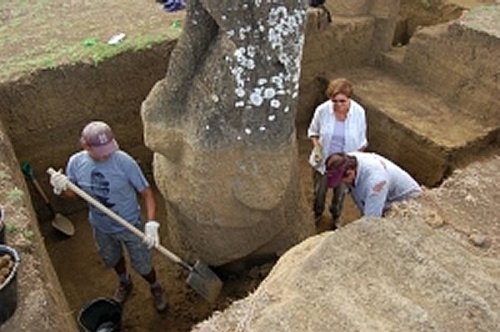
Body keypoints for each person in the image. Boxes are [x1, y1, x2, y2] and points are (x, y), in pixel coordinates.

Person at [49, 121, 168, 313]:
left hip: (130, 224)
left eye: (109, 148)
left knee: (143, 264)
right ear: (86, 146)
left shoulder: (124, 162)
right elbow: (73, 194)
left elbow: (146, 192)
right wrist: (60, 188)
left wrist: (152, 223)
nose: (106, 154)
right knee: (113, 258)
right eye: (101, 150)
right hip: (101, 226)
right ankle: (124, 282)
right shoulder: (76, 163)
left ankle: (155, 286)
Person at [307, 78, 367, 229]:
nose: (338, 105)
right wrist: (317, 149)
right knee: (319, 193)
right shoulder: (322, 111)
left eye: (342, 101)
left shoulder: (359, 113)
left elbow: (362, 142)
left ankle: (336, 216)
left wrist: (352, 163)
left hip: (344, 164)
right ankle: (318, 214)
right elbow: (313, 133)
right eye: (335, 101)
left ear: (349, 99)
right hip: (324, 162)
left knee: (340, 194)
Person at [325, 152, 422, 217]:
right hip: (385, 197)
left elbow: (371, 221)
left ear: (350, 173)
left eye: (343, 180)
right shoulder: (348, 159)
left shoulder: (375, 183)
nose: (342, 183)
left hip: (409, 204)